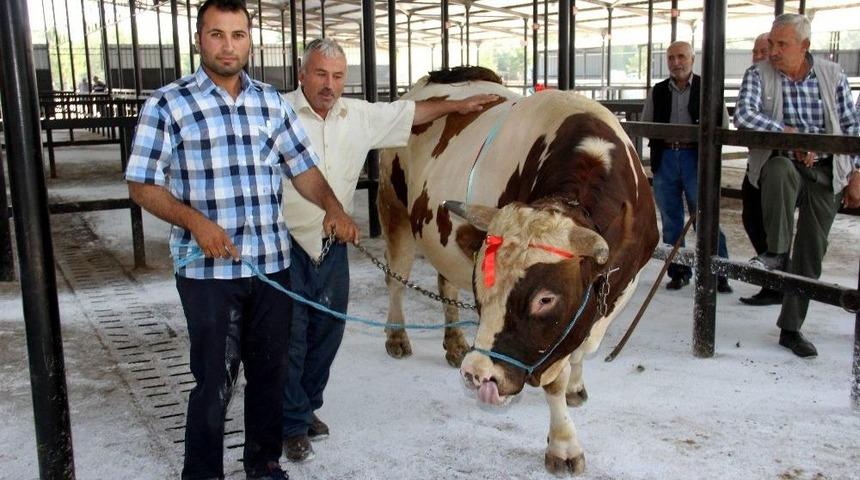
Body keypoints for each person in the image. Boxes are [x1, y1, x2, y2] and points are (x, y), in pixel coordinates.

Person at [124, 1, 358, 479]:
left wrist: (332, 208)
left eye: (237, 35)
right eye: (216, 34)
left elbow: (303, 169)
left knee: (268, 376)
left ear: (250, 40)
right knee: (215, 380)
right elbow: (141, 184)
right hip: (208, 272)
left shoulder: (270, 103)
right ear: (199, 39)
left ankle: (263, 464)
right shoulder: (168, 104)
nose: (227, 46)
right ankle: (203, 471)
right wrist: (195, 222)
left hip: (271, 265)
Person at [279, 38, 499, 463]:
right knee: (291, 336)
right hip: (282, 241)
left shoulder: (356, 114)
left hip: (331, 244)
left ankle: (307, 408)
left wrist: (458, 105)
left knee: (328, 332)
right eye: (321, 74)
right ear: (301, 74)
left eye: (338, 76)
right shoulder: (275, 112)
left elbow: (412, 112)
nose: (329, 84)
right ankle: (290, 424)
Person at [734, 13, 860, 357]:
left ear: (804, 46)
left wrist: (856, 173)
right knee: (777, 169)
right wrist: (791, 137)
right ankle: (776, 251)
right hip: (787, 164)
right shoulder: (757, 74)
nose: (773, 51)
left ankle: (791, 328)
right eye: (771, 43)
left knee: (811, 251)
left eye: (781, 44)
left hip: (827, 171)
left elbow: (851, 127)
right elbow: (744, 115)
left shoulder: (833, 75)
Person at [642, 40, 732, 293]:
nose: (676, 62)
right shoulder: (658, 91)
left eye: (681, 56)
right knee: (671, 219)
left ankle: (718, 271)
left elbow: (722, 125)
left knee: (705, 216)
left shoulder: (708, 88)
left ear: (693, 59)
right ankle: (679, 271)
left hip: (696, 158)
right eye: (671, 58)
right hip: (667, 158)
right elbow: (648, 124)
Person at [740, 33, 783, 306]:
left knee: (776, 225)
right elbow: (745, 117)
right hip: (756, 163)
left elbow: (752, 118)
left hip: (780, 165)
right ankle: (773, 282)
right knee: (752, 219)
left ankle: (780, 285)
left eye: (762, 51)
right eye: (755, 52)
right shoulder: (755, 78)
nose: (757, 57)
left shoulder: (780, 82)